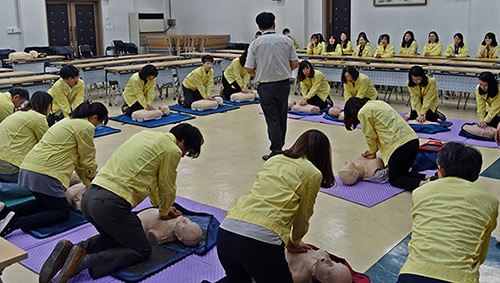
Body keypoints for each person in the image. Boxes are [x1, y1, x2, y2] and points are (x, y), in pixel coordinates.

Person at [37, 123, 204, 283]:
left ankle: (74, 249)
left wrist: (161, 207)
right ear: (182, 141)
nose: (183, 155)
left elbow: (154, 184)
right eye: (187, 151)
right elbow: (167, 185)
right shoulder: (172, 150)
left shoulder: (145, 135)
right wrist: (164, 211)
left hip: (89, 197)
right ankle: (83, 262)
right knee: (142, 250)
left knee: (115, 237)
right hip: (110, 204)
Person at [217, 129, 335, 283]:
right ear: (323, 155)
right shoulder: (313, 173)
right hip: (260, 240)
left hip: (226, 231)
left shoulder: (274, 159)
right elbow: (304, 214)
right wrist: (295, 241)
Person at [0, 102, 107, 237]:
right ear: (95, 117)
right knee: (61, 213)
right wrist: (92, 180)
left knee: (44, 204)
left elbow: (80, 163)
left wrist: (88, 183)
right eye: (100, 122)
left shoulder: (67, 121)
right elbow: (87, 159)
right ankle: (16, 223)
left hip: (29, 167)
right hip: (46, 173)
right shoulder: (85, 127)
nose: (98, 126)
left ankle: (5, 211)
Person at [398, 142, 498, 283]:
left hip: (412, 274)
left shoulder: (420, 192)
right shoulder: (490, 202)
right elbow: (480, 255)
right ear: (476, 174)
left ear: (441, 169)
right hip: (459, 278)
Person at [245, 12, 299, 161]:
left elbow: (249, 68)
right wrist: (282, 70)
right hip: (283, 85)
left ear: (259, 26)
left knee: (272, 118)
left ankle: (276, 150)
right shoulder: (286, 40)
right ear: (274, 24)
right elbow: (295, 64)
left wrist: (261, 73)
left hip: (265, 86)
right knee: (282, 116)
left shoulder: (255, 43)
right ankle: (279, 146)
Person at [343, 98, 425, 191]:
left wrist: (373, 152)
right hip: (412, 140)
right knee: (402, 173)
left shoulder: (363, 112)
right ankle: (428, 178)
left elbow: (370, 135)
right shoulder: (378, 103)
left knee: (395, 179)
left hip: (400, 145)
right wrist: (373, 150)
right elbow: (383, 128)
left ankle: (423, 185)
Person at [0, 92, 52, 198]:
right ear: (46, 105)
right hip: (9, 166)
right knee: (41, 186)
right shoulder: (38, 118)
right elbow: (47, 145)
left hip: (4, 163)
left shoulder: (18, 113)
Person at [285, 249, 352, 283]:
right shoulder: (323, 254)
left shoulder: (299, 276)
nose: (328, 260)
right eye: (334, 263)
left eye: (330, 268)